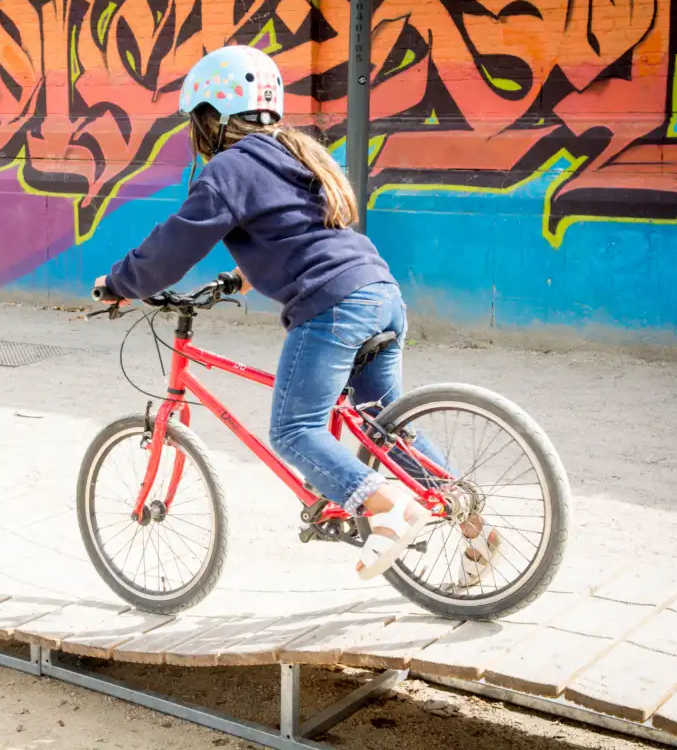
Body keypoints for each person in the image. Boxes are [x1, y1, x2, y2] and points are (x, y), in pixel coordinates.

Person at [93, 45, 497, 584]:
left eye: (197, 120)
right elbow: (299, 234)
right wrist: (243, 276)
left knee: (293, 429)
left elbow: (174, 245)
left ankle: (384, 507)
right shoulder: (293, 153)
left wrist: (120, 283)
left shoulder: (228, 169)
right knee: (382, 423)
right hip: (379, 292)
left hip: (333, 307)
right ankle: (477, 530)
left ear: (212, 117)